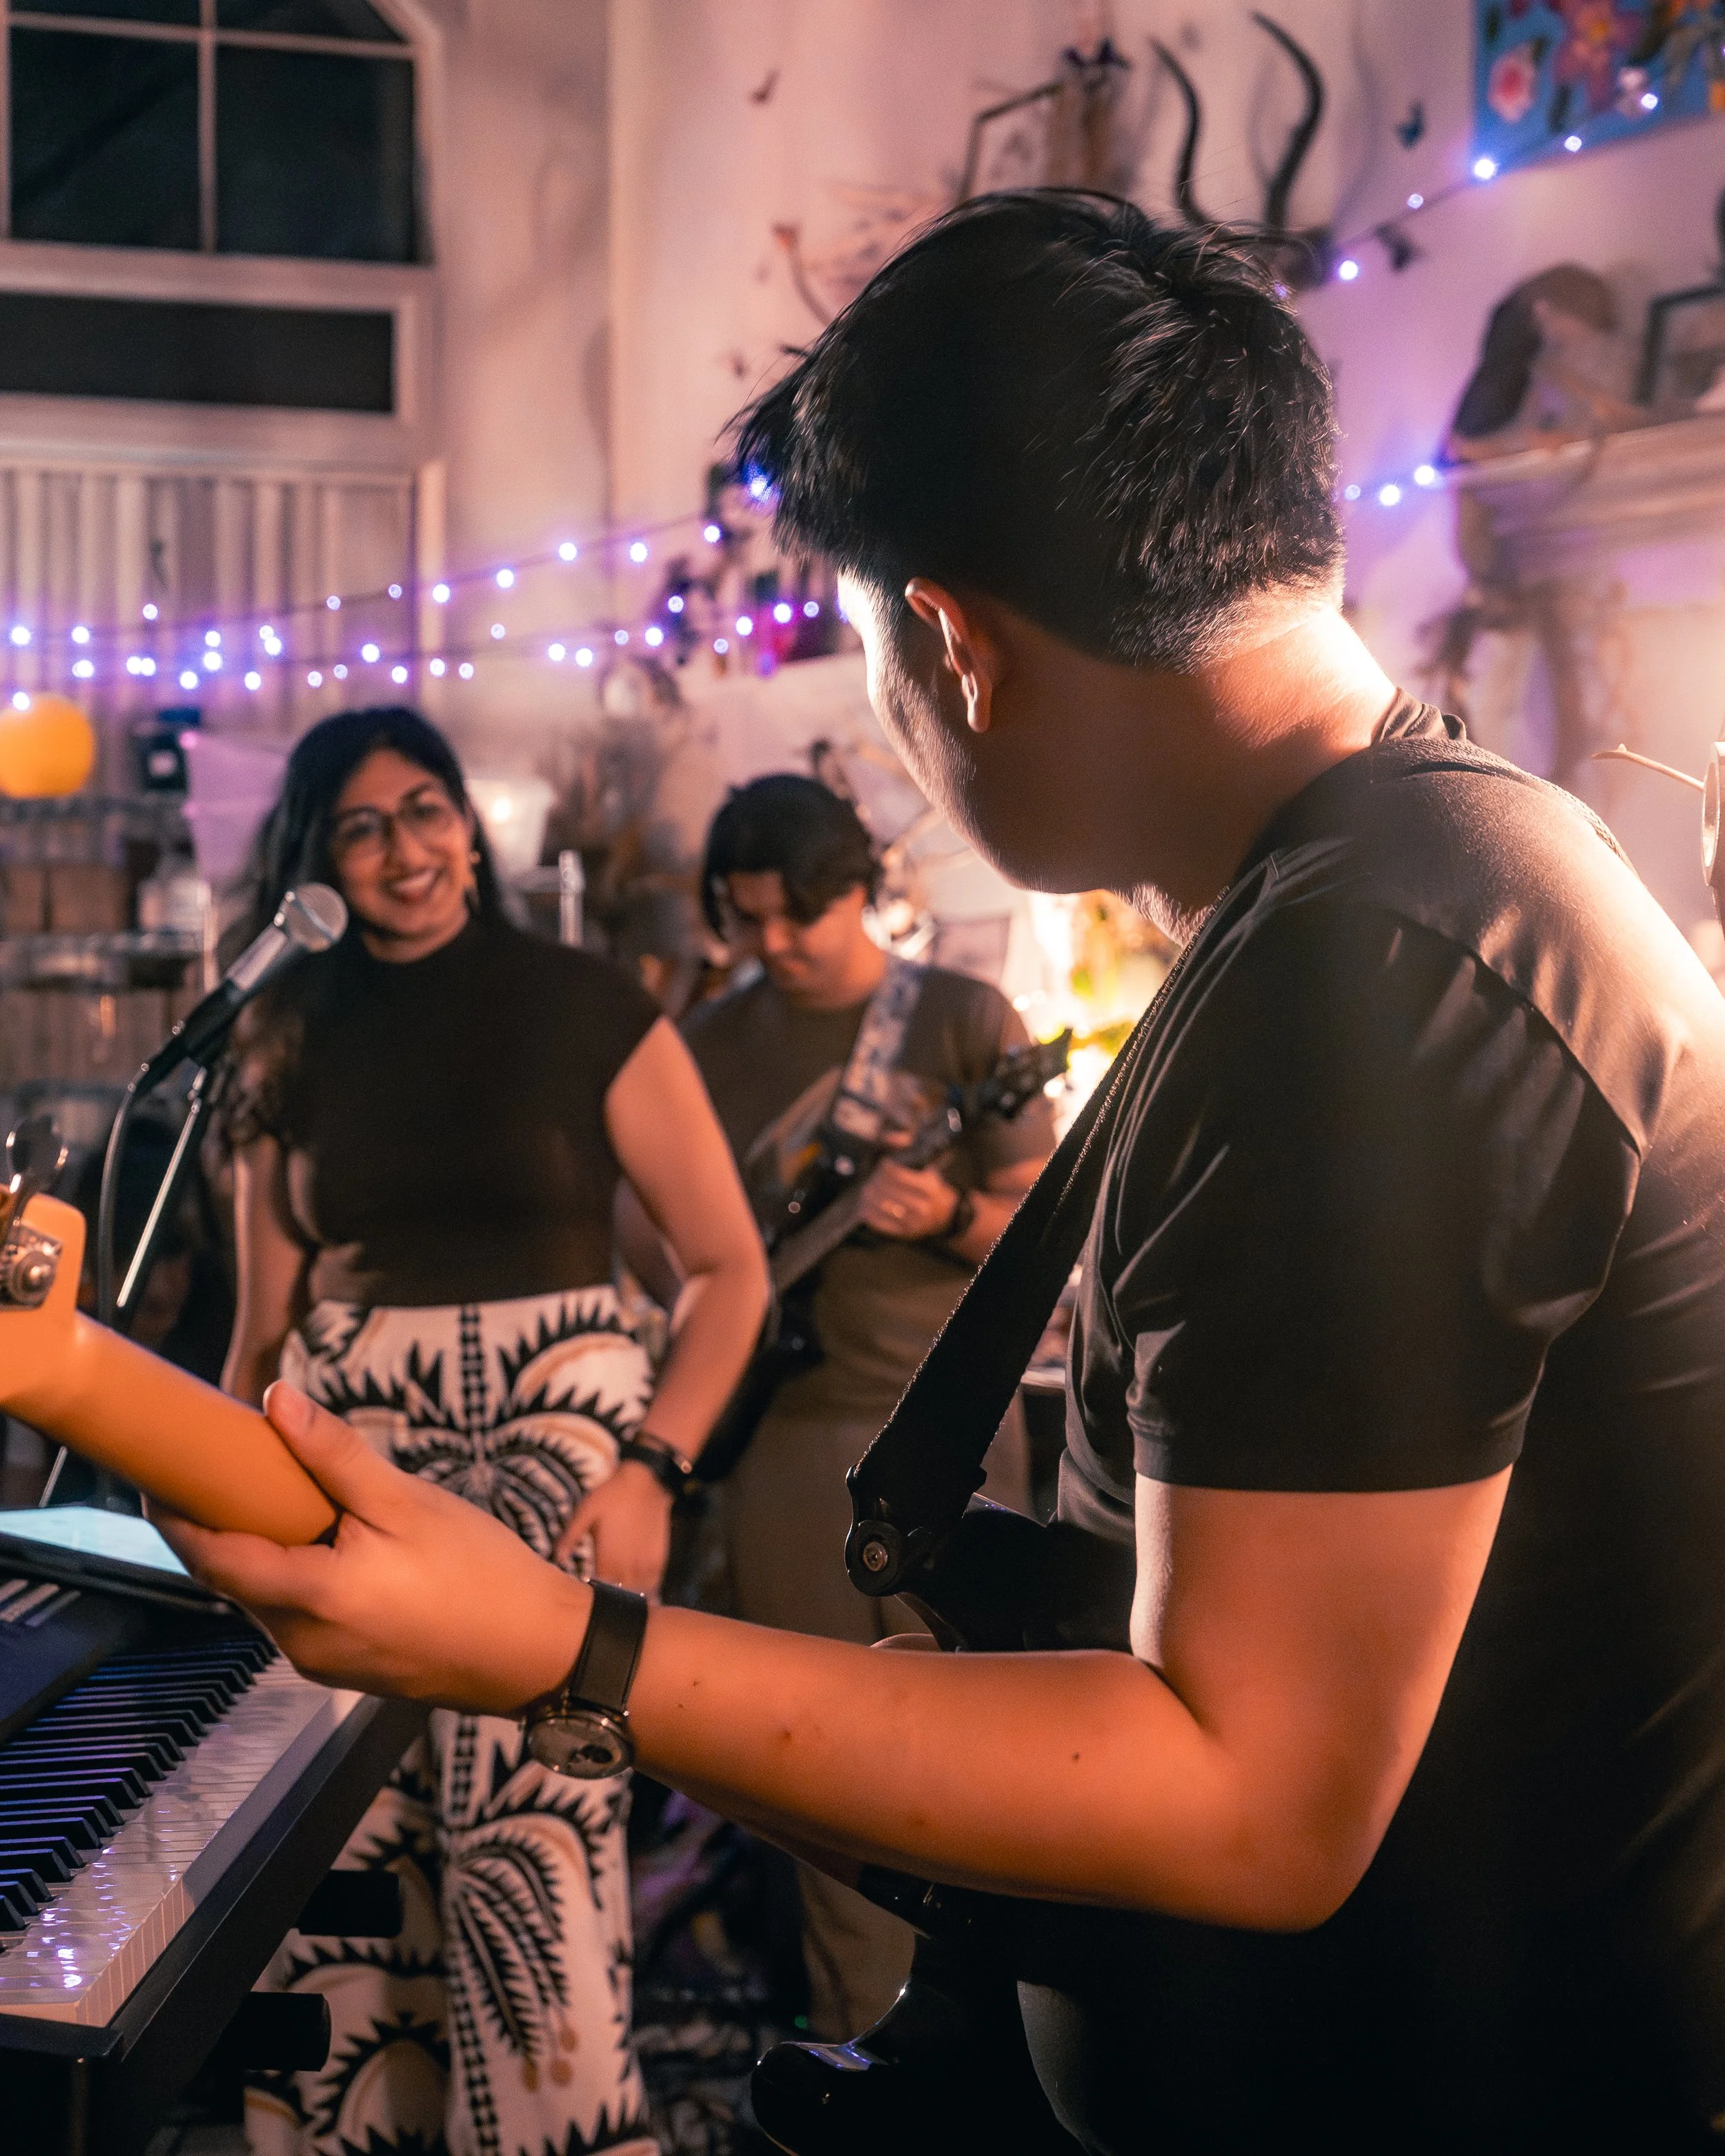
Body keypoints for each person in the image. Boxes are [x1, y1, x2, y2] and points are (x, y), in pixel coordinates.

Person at [157, 192, 1725, 2152]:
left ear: (957, 643)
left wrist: (552, 1639)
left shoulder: (1383, 960)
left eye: (871, 651)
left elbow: (1241, 1796)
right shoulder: (1374, 889)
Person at [218, 708, 767, 2156]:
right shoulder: (279, 1033)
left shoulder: (588, 1003)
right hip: (348, 1470)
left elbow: (726, 1266)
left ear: (470, 820)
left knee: (537, 1848)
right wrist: (216, 1494)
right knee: (342, 1855)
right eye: (363, 825)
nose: (407, 847)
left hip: (557, 1471)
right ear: (316, 861)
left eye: (428, 808)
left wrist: (654, 1468)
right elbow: (261, 1327)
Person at [680, 772, 1054, 2036]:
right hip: (780, 1440)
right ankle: (862, 2064)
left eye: (801, 916)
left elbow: (1054, 1231)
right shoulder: (708, 1043)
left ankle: (1003, 2062)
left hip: (951, 1435)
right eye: (746, 920)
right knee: (824, 1780)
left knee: (986, 1768)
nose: (773, 946)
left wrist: (948, 1213)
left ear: (863, 894)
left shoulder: (956, 1017)